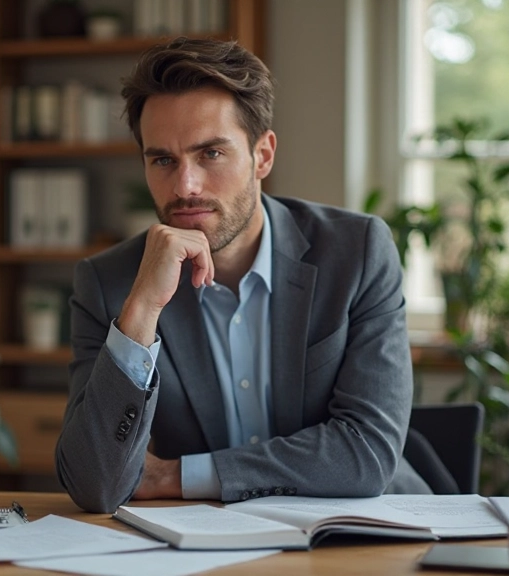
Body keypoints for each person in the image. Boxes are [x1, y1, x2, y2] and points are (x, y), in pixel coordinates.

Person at [55, 37, 427, 513]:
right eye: (163, 160)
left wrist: (176, 475)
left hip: (363, 531)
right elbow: (95, 485)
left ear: (263, 156)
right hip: (203, 550)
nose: (185, 186)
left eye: (210, 153)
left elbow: (365, 456)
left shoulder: (356, 253)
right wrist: (142, 311)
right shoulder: (109, 284)